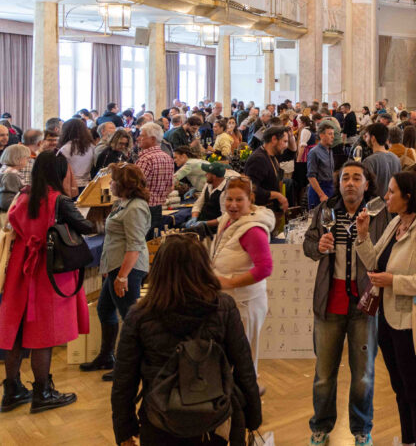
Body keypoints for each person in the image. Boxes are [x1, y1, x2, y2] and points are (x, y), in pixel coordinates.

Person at [110, 235, 262, 446]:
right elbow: (244, 367)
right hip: (214, 419)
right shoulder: (223, 307)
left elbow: (124, 380)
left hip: (159, 420)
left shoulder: (139, 315)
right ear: (203, 267)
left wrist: (124, 429)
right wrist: (253, 417)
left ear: (159, 270)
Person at [355, 172, 416, 446]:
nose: (386, 196)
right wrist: (362, 234)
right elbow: (374, 261)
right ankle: (408, 441)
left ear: (408, 197)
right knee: (400, 389)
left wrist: (394, 282)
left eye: (392, 192)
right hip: (388, 319)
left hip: (412, 323)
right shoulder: (397, 222)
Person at [0, 151, 93, 413]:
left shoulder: (24, 194)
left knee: (17, 330)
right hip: (47, 268)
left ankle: (12, 389)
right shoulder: (59, 200)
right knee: (45, 332)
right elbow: (85, 226)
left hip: (20, 267)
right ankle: (42, 392)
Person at [304, 161, 387, 446]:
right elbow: (307, 244)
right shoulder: (325, 211)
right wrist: (318, 247)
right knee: (324, 375)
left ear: (367, 184)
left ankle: (362, 429)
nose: (350, 183)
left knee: (364, 375)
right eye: (345, 178)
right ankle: (320, 426)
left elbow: (385, 255)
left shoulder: (378, 213)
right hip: (329, 302)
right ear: (339, 184)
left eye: (357, 178)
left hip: (365, 305)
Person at [79, 163, 151, 380]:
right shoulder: (124, 203)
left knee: (130, 318)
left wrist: (122, 276)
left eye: (113, 180)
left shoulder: (136, 208)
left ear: (124, 184)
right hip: (116, 267)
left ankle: (131, 365)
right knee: (104, 309)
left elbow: (135, 245)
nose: (109, 183)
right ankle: (106, 356)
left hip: (127, 270)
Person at [204, 177, 274, 377]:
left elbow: (265, 268)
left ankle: (247, 399)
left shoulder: (253, 231)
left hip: (244, 303)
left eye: (239, 200)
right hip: (228, 301)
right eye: (229, 199)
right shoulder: (229, 219)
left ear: (250, 199)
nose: (232, 205)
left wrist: (230, 282)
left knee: (244, 360)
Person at [135, 122, 175, 234]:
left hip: (142, 208)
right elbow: (171, 187)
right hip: (158, 207)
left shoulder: (145, 159)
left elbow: (135, 186)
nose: (138, 138)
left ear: (152, 139)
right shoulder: (167, 157)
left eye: (142, 136)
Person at [244, 125, 289, 215]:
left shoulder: (272, 155)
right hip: (260, 213)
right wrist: (277, 195)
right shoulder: (258, 159)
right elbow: (252, 189)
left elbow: (292, 153)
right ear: (274, 139)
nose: (286, 146)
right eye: (284, 141)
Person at [363, 123, 401, 202]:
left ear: (373, 138)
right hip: (393, 204)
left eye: (367, 136)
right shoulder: (396, 158)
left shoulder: (369, 161)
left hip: (375, 207)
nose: (365, 139)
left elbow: (366, 188)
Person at [57, 117, 94, 195]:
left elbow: (59, 169)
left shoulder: (65, 148)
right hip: (87, 184)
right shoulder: (91, 147)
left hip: (70, 185)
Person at [307, 122, 336, 209]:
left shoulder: (330, 150)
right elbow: (311, 177)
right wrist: (321, 195)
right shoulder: (314, 152)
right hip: (319, 191)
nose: (333, 137)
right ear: (321, 136)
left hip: (330, 188)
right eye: (330, 134)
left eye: (333, 134)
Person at [0, 144, 29, 213]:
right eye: (26, 157)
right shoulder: (11, 175)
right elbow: (6, 202)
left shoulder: (5, 170)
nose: (28, 160)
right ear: (18, 158)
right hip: (8, 214)